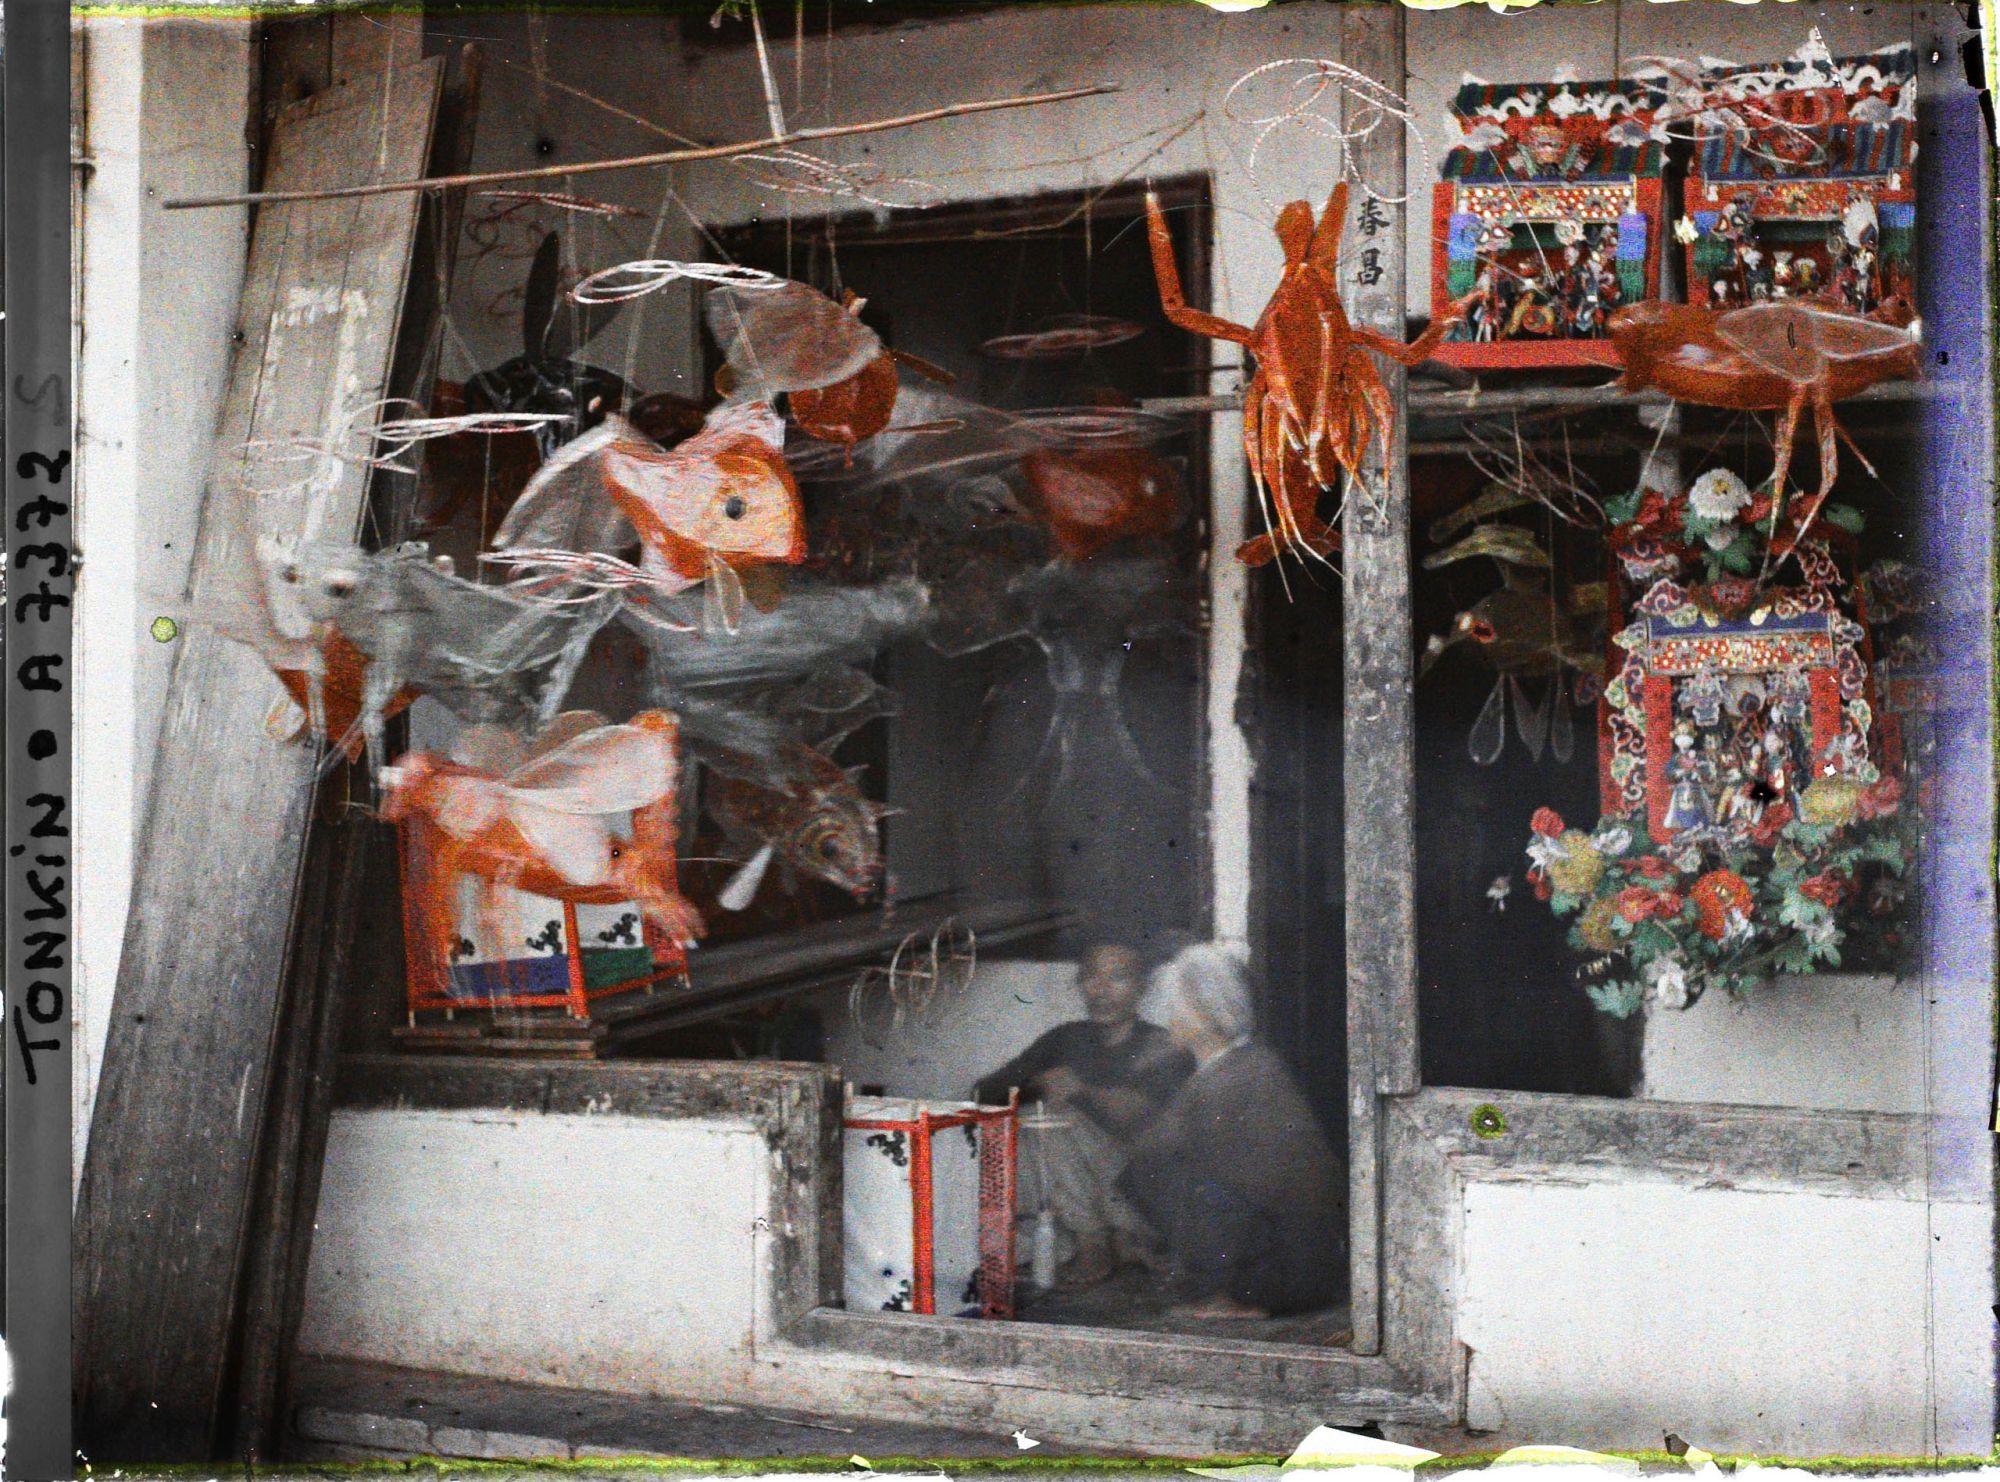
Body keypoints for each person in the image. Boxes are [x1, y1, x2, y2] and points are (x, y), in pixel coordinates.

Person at [1117, 944, 1343, 1320]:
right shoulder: (1246, 1063)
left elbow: (1150, 1158)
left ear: (1206, 1012)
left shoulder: (1232, 1080)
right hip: (1305, 1267)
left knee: (1175, 1176)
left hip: (1288, 1278)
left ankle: (1236, 1297)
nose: (1169, 1016)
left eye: (1177, 1006)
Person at [973, 942, 1191, 1287]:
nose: (1102, 990)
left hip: (1145, 1197)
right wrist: (1037, 1084)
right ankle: (1111, 1240)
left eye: (1118, 977)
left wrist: (1082, 1089)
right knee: (1031, 1117)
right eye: (1092, 977)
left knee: (1057, 1123)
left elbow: (1140, 1117)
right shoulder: (1066, 1039)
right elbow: (983, 1092)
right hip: (1091, 1196)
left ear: (1141, 987)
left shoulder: (1160, 1045)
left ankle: (1095, 1241)